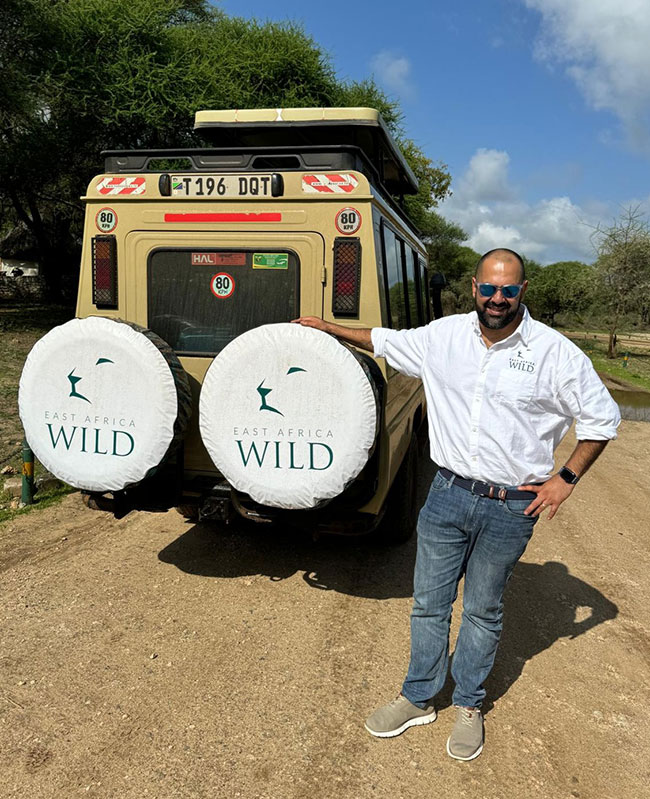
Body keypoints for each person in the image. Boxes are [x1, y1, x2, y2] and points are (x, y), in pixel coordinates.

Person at [293, 247, 620, 761]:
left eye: (508, 290)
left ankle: (469, 703)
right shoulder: (443, 336)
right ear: (473, 287)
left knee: (482, 611)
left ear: (522, 291)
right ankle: (418, 696)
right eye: (488, 288)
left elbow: (603, 420)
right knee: (428, 604)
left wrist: (565, 480)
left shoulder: (555, 353)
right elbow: (384, 340)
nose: (497, 298)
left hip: (511, 508)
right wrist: (328, 328)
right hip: (446, 495)